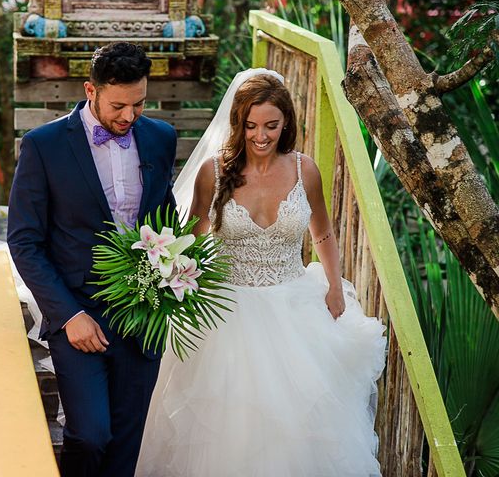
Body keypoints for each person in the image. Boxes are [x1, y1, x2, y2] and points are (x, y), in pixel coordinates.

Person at [136, 69, 387, 476]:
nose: (261, 136)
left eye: (271, 125)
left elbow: (321, 232)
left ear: (286, 120)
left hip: (295, 307)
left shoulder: (305, 170)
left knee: (299, 422)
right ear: (238, 123)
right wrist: (172, 275)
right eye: (251, 126)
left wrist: (334, 286)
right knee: (229, 428)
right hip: (227, 312)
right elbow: (190, 242)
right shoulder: (213, 174)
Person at [7, 42, 176, 477]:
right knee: (89, 434)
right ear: (90, 90)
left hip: (143, 312)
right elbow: (24, 241)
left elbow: (165, 216)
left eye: (139, 104)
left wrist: (175, 276)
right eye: (118, 105)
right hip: (79, 310)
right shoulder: (43, 146)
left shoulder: (160, 138)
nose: (129, 116)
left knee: (126, 439)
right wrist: (67, 315)